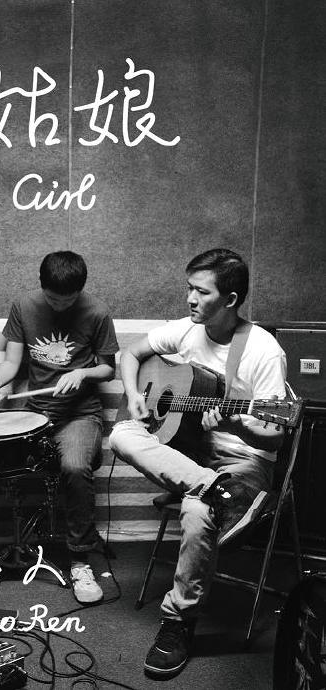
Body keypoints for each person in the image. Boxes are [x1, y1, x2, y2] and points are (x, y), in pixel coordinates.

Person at [108, 248, 287, 679]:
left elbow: (277, 436)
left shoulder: (264, 351)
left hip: (242, 460)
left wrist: (236, 425)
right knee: (120, 434)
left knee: (196, 508)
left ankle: (178, 623)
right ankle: (214, 488)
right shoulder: (187, 329)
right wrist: (134, 396)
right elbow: (130, 354)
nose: (190, 298)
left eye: (201, 292)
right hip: (193, 454)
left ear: (230, 299)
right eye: (189, 288)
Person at [0, 250, 119, 605]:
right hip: (35, 415)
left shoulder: (97, 311)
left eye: (68, 300)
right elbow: (12, 362)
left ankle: (79, 559)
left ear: (81, 291)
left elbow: (108, 369)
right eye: (53, 298)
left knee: (74, 466)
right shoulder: (24, 306)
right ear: (41, 286)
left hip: (79, 415)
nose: (60, 305)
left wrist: (82, 373)